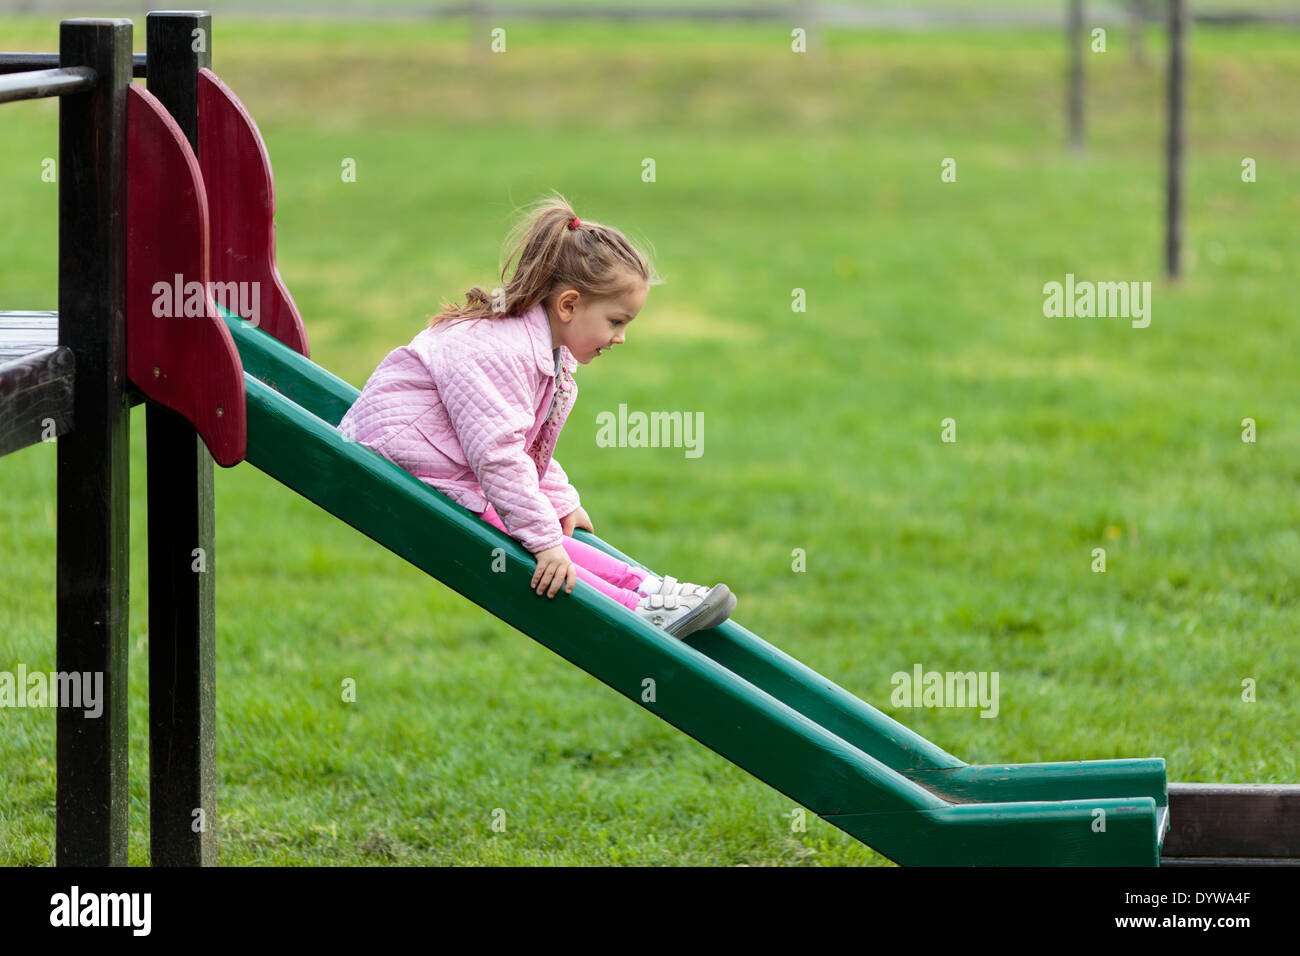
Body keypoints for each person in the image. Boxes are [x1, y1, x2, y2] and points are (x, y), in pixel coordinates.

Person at [336, 193, 736, 639]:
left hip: (446, 457)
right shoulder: (499, 351)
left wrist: (560, 502)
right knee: (531, 537)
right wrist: (546, 541)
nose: (620, 338)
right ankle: (633, 609)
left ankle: (646, 588)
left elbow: (524, 443)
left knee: (544, 531)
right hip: (400, 458)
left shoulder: (545, 350)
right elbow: (500, 456)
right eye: (616, 322)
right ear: (568, 305)